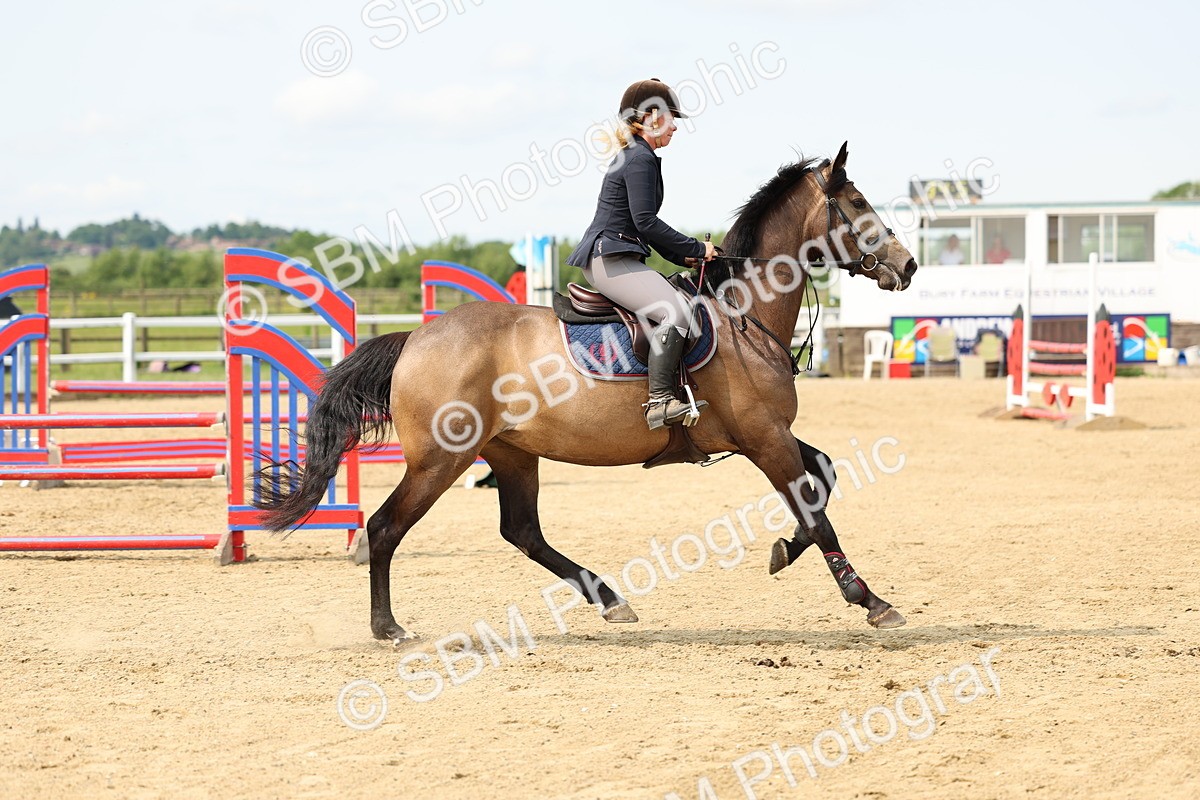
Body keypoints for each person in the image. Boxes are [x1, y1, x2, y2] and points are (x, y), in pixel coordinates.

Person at [566, 78, 716, 430]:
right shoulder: (638, 159)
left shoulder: (639, 155)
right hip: (610, 259)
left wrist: (686, 258)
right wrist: (695, 247)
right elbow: (646, 222)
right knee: (676, 313)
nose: (675, 126)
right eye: (671, 118)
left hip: (618, 256)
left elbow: (643, 223)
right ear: (651, 116)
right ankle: (660, 402)